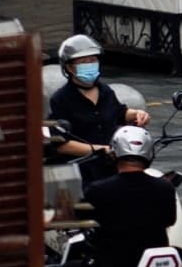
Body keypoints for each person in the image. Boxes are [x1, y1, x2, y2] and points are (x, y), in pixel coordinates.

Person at [56, 122, 181, 267]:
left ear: (115, 153)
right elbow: (169, 220)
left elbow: (77, 219)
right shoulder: (164, 188)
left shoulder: (99, 190)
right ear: (149, 154)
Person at [44, 33, 149, 181]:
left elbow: (118, 113)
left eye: (93, 60)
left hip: (111, 167)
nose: (90, 64)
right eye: (83, 62)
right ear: (69, 67)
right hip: (81, 170)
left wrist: (137, 114)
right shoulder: (60, 99)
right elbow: (61, 144)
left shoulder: (105, 91)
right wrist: (99, 149)